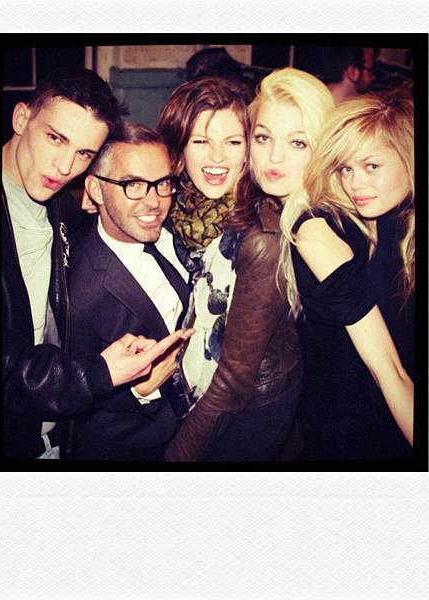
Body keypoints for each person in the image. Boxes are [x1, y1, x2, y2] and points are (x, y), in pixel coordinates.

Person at [1, 67, 191, 460]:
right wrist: (102, 375)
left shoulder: (58, 204)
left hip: (53, 433)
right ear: (21, 118)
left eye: (84, 154)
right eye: (55, 138)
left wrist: (106, 202)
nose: (64, 166)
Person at [165, 68, 335, 462]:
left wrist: (177, 457)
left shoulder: (265, 236)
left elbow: (233, 379)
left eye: (232, 141)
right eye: (264, 138)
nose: (217, 156)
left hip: (252, 407)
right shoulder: (195, 207)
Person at [280, 92, 415, 460]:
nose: (356, 184)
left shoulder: (396, 229)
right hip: (354, 432)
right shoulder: (345, 226)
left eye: (372, 166)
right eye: (346, 169)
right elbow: (391, 372)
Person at [68, 122, 193, 461]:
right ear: (95, 190)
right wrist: (138, 392)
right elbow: (76, 401)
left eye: (162, 183)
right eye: (132, 185)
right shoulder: (81, 292)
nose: (154, 202)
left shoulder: (173, 230)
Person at [157, 76, 250, 266]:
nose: (217, 157)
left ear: (248, 151)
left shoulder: (259, 231)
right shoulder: (163, 209)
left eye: (233, 142)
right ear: (180, 149)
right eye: (201, 141)